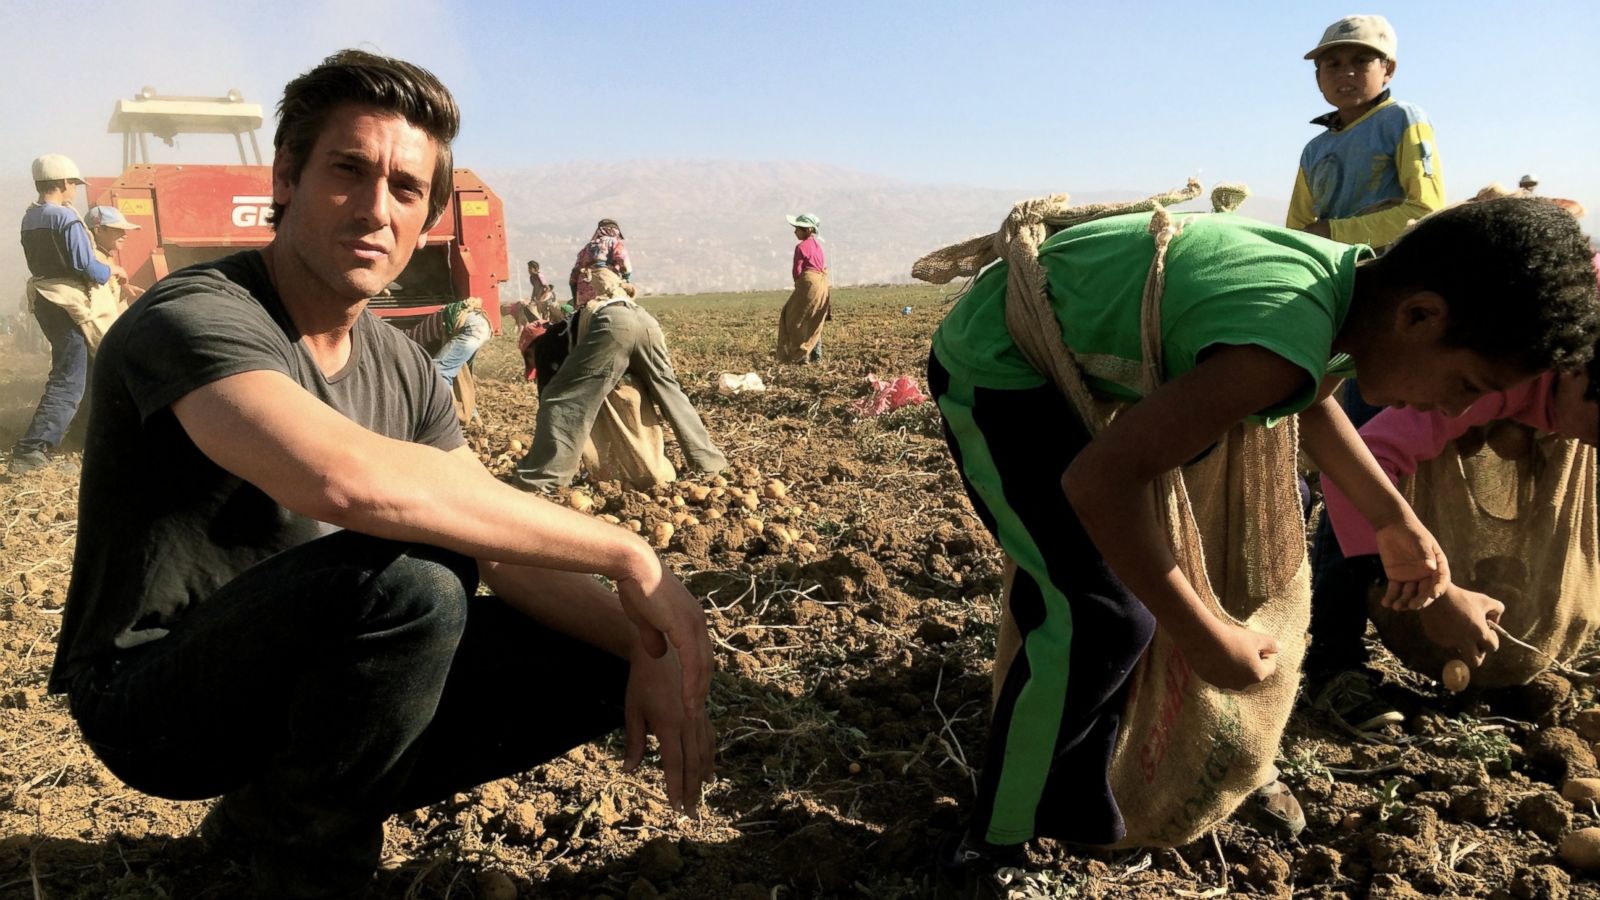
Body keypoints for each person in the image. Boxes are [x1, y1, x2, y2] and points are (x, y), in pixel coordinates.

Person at [48, 50, 714, 900]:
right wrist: (632, 557)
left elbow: (493, 536)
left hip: (292, 677)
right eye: (347, 171)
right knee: (414, 581)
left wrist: (653, 646)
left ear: (430, 213)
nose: (374, 209)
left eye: (405, 189)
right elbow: (342, 481)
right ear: (285, 176)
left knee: (587, 651)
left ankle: (269, 812)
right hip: (155, 697)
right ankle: (312, 873)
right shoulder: (196, 314)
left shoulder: (398, 363)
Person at [927, 197, 1597, 873]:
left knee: (1139, 584)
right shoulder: (1280, 341)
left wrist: (1398, 523)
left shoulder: (1350, 297)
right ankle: (997, 837)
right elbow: (1099, 484)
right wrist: (1200, 635)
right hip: (1000, 369)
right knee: (1094, 611)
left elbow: (1315, 396)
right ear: (1420, 315)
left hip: (1061, 364)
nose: (1456, 409)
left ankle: (1080, 791)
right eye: (1464, 383)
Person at [1310, 248, 1600, 706]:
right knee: (1364, 488)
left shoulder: (1562, 368)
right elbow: (1361, 463)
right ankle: (1334, 662)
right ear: (1575, 371)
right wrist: (1428, 591)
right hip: (1414, 353)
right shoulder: (1491, 367)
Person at [518, 221, 726, 490]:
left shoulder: (548, 343)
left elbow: (555, 395)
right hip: (641, 317)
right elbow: (624, 273)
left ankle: (542, 479)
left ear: (530, 349)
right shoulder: (615, 248)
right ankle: (710, 464)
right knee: (670, 393)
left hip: (610, 322)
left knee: (561, 400)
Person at [7, 155, 123, 478]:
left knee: (84, 367)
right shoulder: (65, 220)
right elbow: (88, 268)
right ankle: (31, 449)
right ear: (61, 184)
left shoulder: (30, 218)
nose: (74, 189)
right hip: (65, 299)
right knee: (70, 376)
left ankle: (78, 435)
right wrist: (111, 269)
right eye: (73, 183)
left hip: (45, 298)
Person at [777, 213, 829, 364]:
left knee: (793, 319)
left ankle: (800, 355)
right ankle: (816, 356)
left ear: (807, 230)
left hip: (809, 285)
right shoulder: (819, 247)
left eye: (797, 229)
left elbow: (797, 271)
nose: (795, 232)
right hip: (822, 286)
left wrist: (800, 286)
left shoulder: (800, 247)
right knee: (815, 319)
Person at [85, 205, 145, 311]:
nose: (125, 235)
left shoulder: (104, 256)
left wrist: (123, 289)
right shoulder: (97, 260)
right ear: (98, 230)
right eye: (118, 230)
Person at [568, 218, 630, 310]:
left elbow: (575, 272)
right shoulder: (615, 243)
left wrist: (575, 295)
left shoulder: (588, 247)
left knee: (578, 314)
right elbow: (623, 261)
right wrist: (627, 278)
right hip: (608, 285)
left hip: (586, 288)